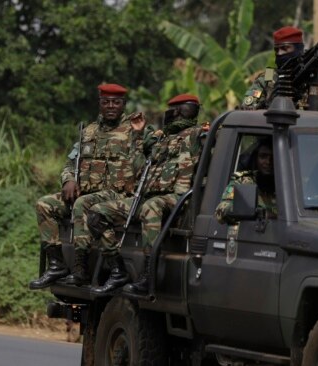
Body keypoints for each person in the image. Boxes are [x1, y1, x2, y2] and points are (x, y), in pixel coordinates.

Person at [29, 83, 156, 290]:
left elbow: (148, 164)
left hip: (117, 195)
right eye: (106, 102)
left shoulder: (136, 129)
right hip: (87, 190)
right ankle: (56, 265)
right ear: (100, 104)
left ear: (123, 104)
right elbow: (71, 162)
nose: (111, 106)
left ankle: (80, 269)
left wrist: (139, 136)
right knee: (45, 204)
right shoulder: (88, 132)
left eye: (116, 102)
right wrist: (68, 180)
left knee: (82, 203)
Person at [86, 94, 204, 295]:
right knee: (97, 213)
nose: (175, 113)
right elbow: (138, 166)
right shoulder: (160, 139)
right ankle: (117, 269)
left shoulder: (197, 134)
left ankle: (149, 274)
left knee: (152, 207)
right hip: (147, 197)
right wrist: (139, 135)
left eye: (180, 109)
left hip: (176, 199)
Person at [239, 26, 318, 112]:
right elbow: (247, 109)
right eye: (277, 50)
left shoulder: (312, 80)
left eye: (285, 48)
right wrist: (269, 102)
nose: (280, 53)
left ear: (298, 50)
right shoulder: (267, 77)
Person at [215, 138, 278, 224]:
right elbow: (221, 212)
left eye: (273, 157)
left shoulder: (288, 184)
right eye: (263, 156)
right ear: (256, 158)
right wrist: (257, 213)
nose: (268, 162)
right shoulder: (244, 182)